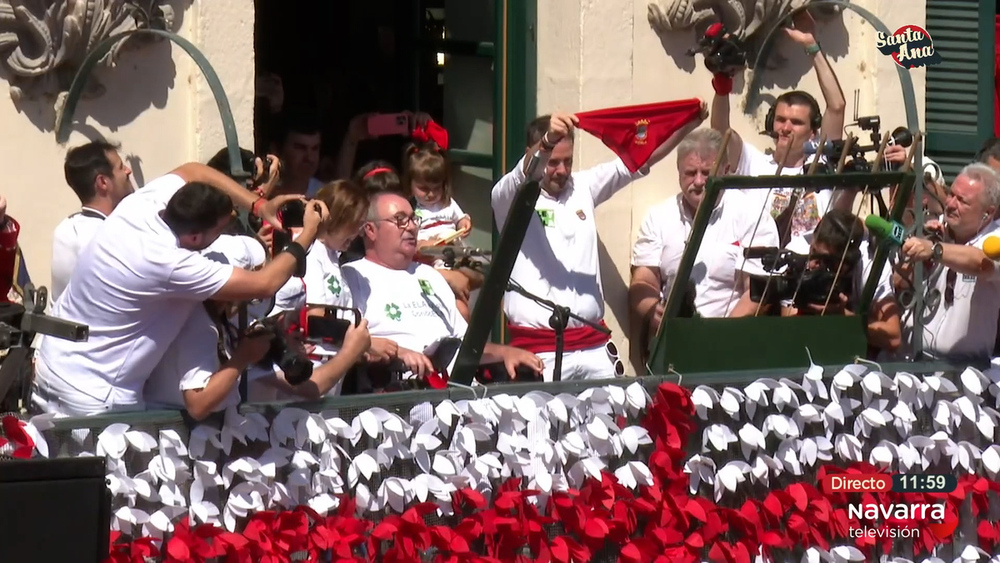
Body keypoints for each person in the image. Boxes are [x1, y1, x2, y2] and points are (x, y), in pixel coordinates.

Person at [32, 159, 330, 416]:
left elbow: (192, 170)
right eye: (221, 229)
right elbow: (265, 284)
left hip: (49, 365)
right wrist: (306, 235)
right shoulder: (170, 263)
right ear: (197, 239)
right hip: (89, 396)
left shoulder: (138, 207)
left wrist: (260, 204)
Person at [491, 105, 706, 381]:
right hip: (540, 352)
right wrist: (546, 143)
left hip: (594, 348)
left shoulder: (582, 187)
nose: (561, 170)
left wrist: (687, 123)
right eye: (552, 162)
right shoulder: (509, 197)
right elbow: (524, 173)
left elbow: (639, 159)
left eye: (567, 161)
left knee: (613, 424)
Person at [341, 192, 543, 381]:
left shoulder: (430, 276)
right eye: (400, 220)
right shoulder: (352, 276)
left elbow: (465, 346)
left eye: (413, 219)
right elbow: (343, 344)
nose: (411, 227)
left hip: (455, 391)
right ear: (370, 230)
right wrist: (400, 353)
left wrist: (506, 352)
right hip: (395, 392)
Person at [628, 128, 780, 369]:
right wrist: (651, 311)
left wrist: (716, 340)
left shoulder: (752, 215)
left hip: (732, 347)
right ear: (678, 173)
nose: (698, 182)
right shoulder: (658, 217)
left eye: (706, 173)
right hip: (672, 346)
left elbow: (756, 295)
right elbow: (643, 281)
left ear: (725, 170)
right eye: (690, 173)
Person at [710, 12, 848, 244]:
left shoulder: (821, 165)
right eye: (781, 119)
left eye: (796, 122)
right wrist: (722, 84)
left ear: (813, 132)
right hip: (755, 270)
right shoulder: (753, 162)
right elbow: (720, 132)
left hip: (807, 272)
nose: (785, 127)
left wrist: (812, 47)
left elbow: (837, 106)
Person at [252, 180, 375, 400]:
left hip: (332, 366)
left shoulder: (334, 258)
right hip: (307, 370)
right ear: (337, 218)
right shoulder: (310, 254)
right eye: (354, 224)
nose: (358, 232)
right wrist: (367, 343)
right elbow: (314, 318)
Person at [142, 235, 273, 419]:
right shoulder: (199, 322)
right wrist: (243, 357)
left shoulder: (202, 313)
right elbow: (197, 403)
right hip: (183, 439)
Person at [896, 163, 1000, 363]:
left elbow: (980, 262)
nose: (950, 204)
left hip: (965, 373)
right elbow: (899, 283)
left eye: (962, 201)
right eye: (951, 195)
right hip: (911, 363)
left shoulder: (995, 239)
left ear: (988, 212)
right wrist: (919, 255)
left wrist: (936, 250)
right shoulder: (936, 230)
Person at [51, 140, 134, 302]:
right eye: (120, 167)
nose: (128, 171)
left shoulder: (65, 228)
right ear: (103, 182)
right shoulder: (111, 238)